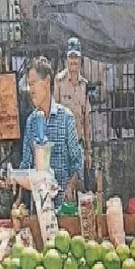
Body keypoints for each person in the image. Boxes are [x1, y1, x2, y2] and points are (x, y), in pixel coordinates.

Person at [19, 56, 84, 208]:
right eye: (29, 85)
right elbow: (26, 165)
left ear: (47, 81)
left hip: (63, 207)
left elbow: (77, 161)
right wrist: (17, 196)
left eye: (33, 83)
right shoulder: (31, 122)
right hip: (39, 208)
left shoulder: (66, 118)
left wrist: (70, 186)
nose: (30, 90)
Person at [53, 37, 92, 170]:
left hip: (78, 144)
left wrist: (88, 151)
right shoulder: (59, 81)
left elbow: (86, 120)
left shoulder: (84, 85)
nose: (73, 61)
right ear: (66, 59)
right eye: (71, 57)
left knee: (80, 185)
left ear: (80, 61)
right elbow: (53, 114)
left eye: (76, 57)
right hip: (62, 145)